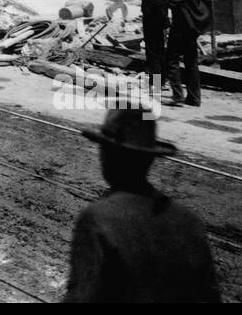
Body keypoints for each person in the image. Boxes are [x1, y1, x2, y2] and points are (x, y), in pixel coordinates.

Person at [64, 108, 220, 303]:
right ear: (150, 158)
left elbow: (81, 297)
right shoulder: (189, 220)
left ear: (106, 155)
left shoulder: (98, 218)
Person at [167, 0, 212, 107]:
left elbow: (174, 0)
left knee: (172, 59)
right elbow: (206, 0)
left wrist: (175, 9)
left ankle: (178, 95)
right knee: (191, 62)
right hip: (193, 28)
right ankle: (194, 98)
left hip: (179, 27)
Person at [139, 0, 169, 97]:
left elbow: (156, 2)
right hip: (157, 22)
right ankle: (160, 82)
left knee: (153, 53)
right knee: (157, 52)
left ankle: (155, 85)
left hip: (153, 23)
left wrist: (150, 19)